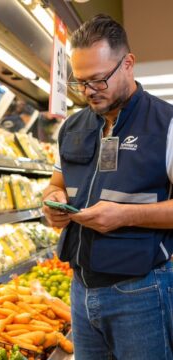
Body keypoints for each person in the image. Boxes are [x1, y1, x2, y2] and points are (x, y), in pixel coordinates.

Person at [42, 14, 173, 360]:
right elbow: (56, 185)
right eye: (80, 82)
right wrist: (52, 202)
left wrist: (124, 216)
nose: (88, 92)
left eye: (99, 81)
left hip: (142, 291)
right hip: (81, 290)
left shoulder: (166, 125)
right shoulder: (73, 126)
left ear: (128, 64)